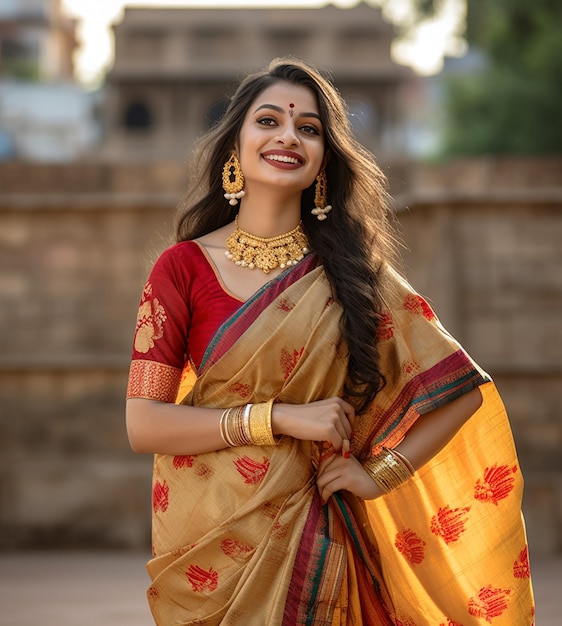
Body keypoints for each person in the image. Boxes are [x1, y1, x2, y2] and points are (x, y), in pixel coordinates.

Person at [125, 58, 535, 625]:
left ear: (322, 160)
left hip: (317, 535)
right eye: (268, 121)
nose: (288, 135)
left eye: (309, 128)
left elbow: (462, 390)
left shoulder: (352, 274)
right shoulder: (181, 269)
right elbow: (143, 424)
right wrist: (281, 419)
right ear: (234, 148)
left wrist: (380, 474)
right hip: (210, 541)